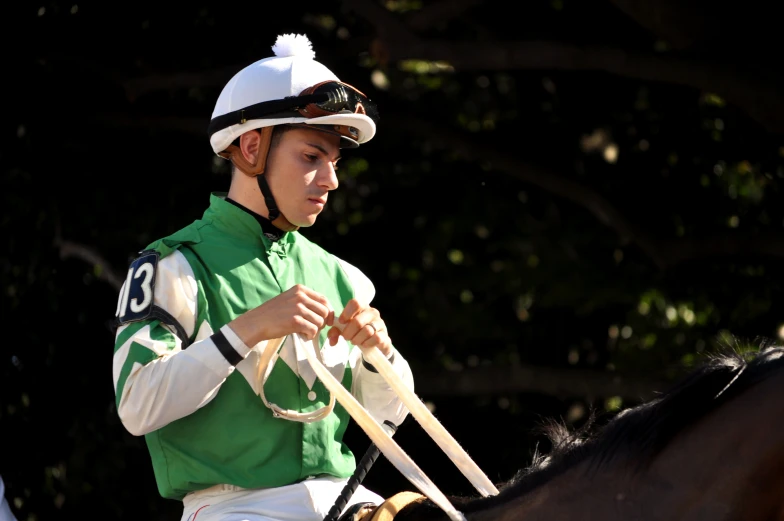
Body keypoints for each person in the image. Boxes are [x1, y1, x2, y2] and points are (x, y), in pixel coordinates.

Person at [111, 32, 414, 521]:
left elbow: (389, 415)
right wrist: (248, 328)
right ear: (251, 148)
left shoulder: (346, 278)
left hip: (347, 501)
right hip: (232, 507)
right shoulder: (173, 265)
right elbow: (137, 405)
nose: (332, 180)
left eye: (334, 163)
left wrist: (379, 355)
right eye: (311, 157)